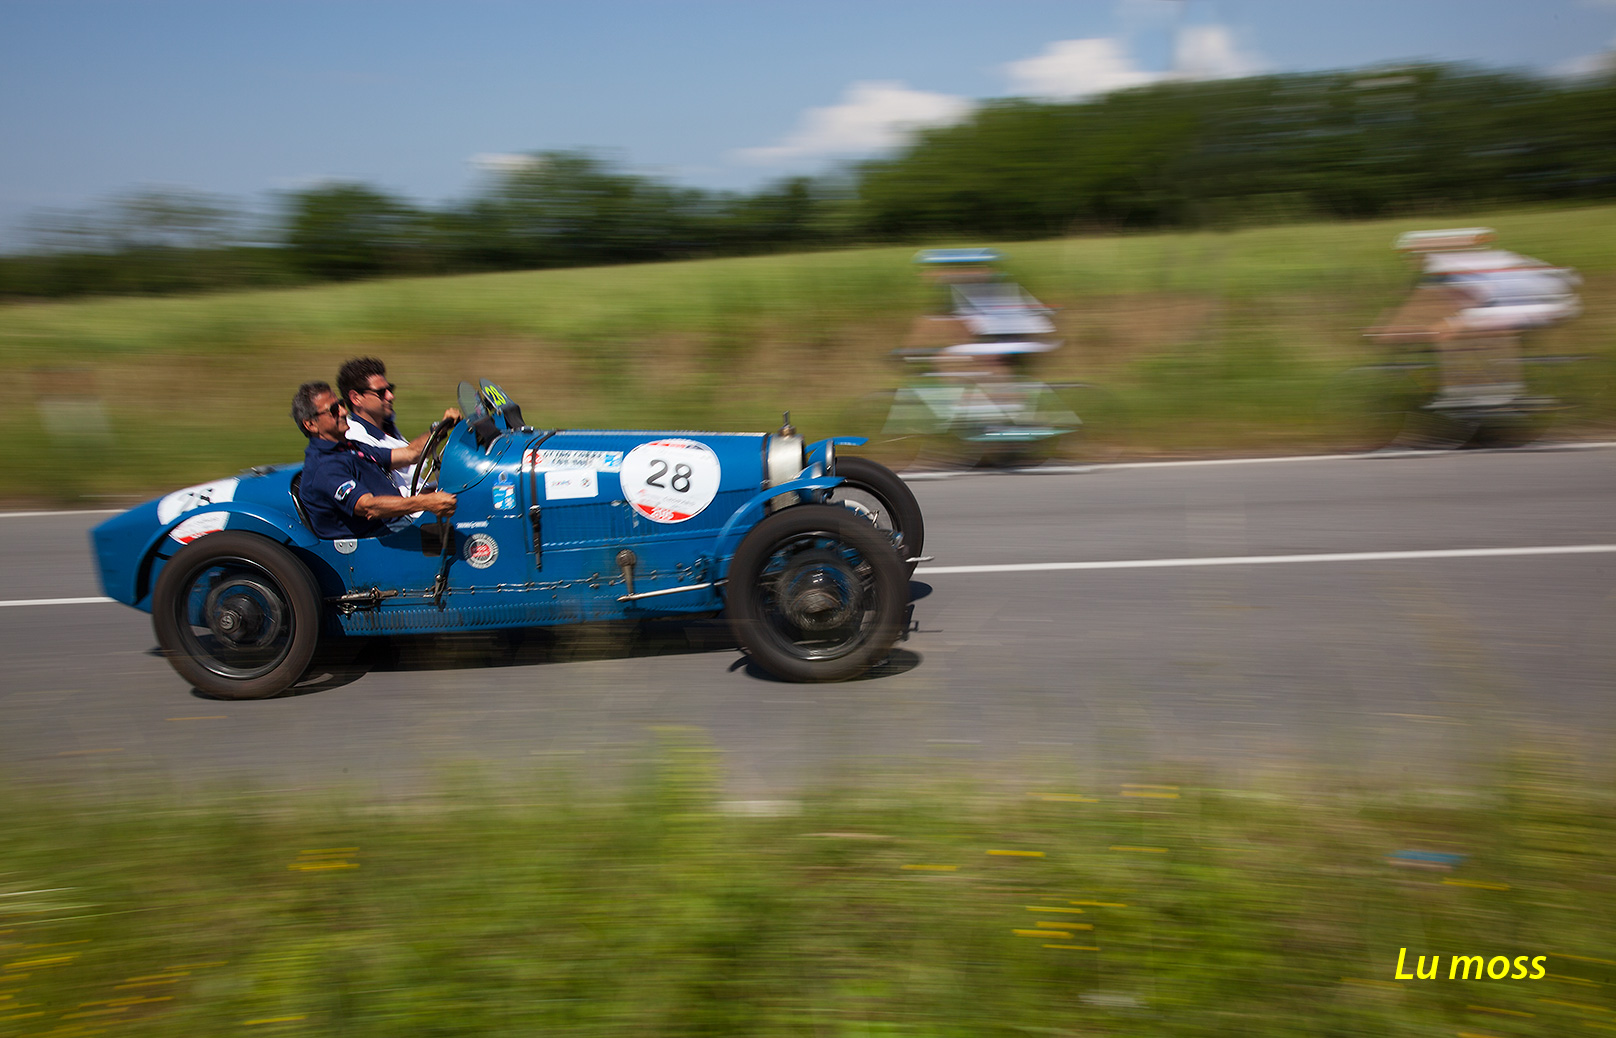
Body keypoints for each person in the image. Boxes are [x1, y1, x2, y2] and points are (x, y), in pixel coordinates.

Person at [1369, 228, 1581, 408]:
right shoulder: (1453, 263)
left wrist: (1391, 333)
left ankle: (1495, 397)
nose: (1409, 261)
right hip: (1531, 298)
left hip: (1544, 303)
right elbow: (1429, 305)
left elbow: (1458, 306)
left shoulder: (1444, 266)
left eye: (1409, 255)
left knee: (1455, 330)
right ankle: (1481, 394)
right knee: (1457, 330)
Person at [291, 381, 455, 540]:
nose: (343, 411)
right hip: (378, 541)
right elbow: (368, 506)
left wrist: (440, 429)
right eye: (333, 410)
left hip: (397, 526)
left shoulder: (349, 447)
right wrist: (425, 502)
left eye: (340, 404)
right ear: (311, 424)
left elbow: (410, 454)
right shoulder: (324, 467)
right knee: (469, 538)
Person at [337, 356, 460, 493]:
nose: (390, 396)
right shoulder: (355, 438)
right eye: (381, 392)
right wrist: (441, 429)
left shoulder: (385, 422)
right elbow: (411, 455)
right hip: (407, 511)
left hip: (420, 501)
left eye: (390, 389)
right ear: (356, 398)